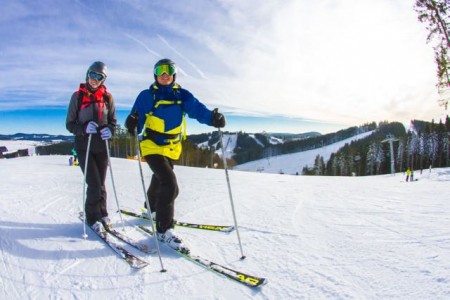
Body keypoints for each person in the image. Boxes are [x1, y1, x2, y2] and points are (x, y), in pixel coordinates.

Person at [125, 58, 225, 252]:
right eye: (160, 70)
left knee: (161, 179)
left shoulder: (181, 95)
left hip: (172, 147)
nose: (165, 74)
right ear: (155, 74)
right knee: (169, 184)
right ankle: (164, 229)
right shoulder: (146, 96)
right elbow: (135, 120)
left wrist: (213, 118)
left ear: (174, 74)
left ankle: (152, 209)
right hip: (151, 145)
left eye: (169, 70)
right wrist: (132, 123)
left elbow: (197, 110)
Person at [66, 61, 117, 233]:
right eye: (92, 75)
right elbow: (70, 124)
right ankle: (92, 217)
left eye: (99, 77)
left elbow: (113, 122)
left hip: (102, 146)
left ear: (103, 79)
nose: (94, 79)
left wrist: (110, 130)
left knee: (101, 183)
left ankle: (103, 213)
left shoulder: (108, 98)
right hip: (84, 146)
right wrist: (83, 129)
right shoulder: (77, 97)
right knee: (94, 183)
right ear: (87, 74)